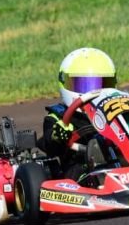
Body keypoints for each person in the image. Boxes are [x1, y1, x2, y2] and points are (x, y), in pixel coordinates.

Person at [38, 47, 118, 179]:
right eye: (85, 85)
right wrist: (57, 136)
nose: (94, 91)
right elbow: (50, 145)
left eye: (102, 84)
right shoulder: (58, 117)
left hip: (118, 161)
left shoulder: (114, 112)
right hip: (81, 172)